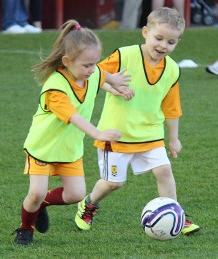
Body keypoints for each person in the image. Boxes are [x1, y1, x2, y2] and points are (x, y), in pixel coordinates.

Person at [74, 7, 200, 236]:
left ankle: (176, 214)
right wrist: (114, 87)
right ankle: (88, 204)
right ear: (145, 32)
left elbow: (172, 108)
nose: (163, 46)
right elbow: (95, 75)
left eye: (171, 42)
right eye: (158, 38)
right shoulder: (125, 55)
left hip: (150, 133)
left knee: (164, 171)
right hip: (116, 134)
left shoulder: (172, 69)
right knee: (113, 183)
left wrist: (173, 139)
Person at [12, 19, 134, 245]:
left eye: (94, 63)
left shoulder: (91, 72)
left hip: (69, 150)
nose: (92, 69)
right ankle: (25, 228)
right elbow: (74, 117)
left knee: (76, 194)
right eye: (86, 65)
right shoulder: (55, 88)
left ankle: (42, 206)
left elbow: (101, 75)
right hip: (43, 148)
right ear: (67, 61)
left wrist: (114, 82)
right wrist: (98, 133)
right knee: (35, 193)